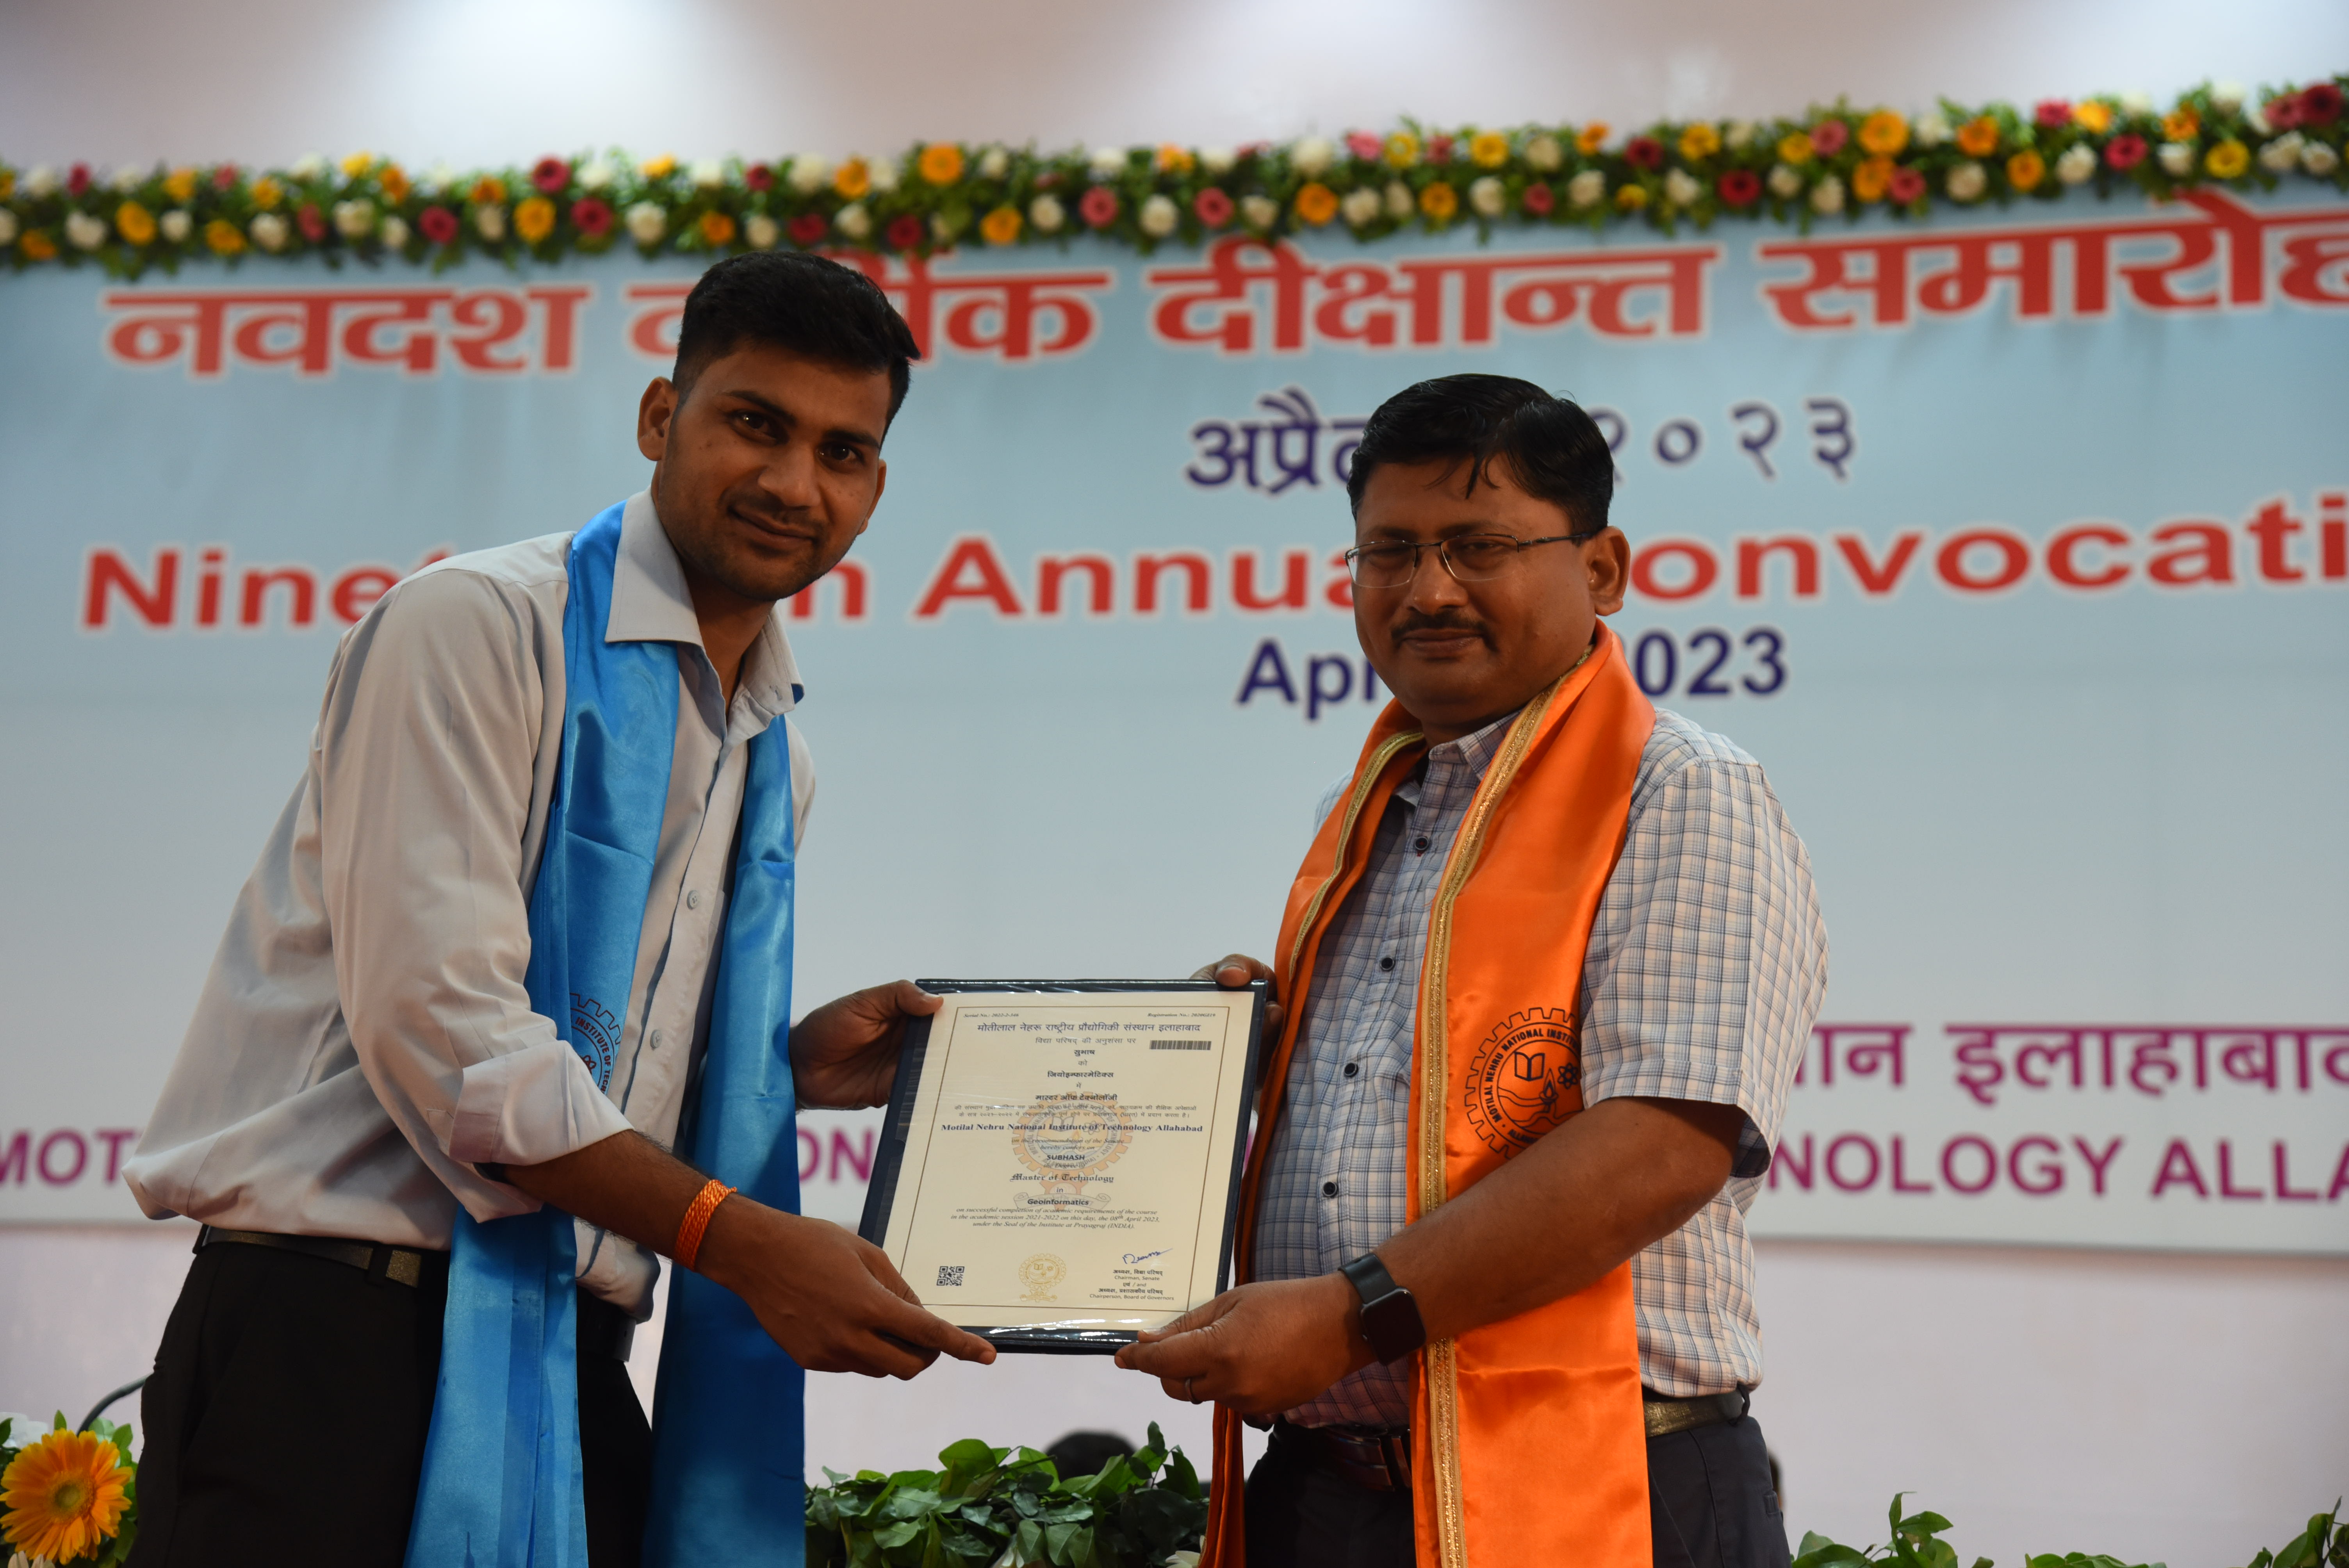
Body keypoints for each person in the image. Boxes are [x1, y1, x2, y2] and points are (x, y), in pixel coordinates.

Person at [120, 251, 995, 1568]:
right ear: (660, 417)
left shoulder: (773, 754)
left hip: (574, 1358)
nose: (793, 483)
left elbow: (588, 1052)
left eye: (843, 452)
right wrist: (743, 1244)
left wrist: (771, 1072)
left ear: (875, 488)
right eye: (754, 423)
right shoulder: (475, 627)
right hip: (332, 1342)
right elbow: (456, 1045)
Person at [1117, 375, 1827, 1568]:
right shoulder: (1368, 807)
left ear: (1602, 568)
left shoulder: (1679, 790)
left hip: (1593, 1477)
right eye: (1389, 551)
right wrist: (1238, 1049)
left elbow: (1663, 1143)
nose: (1429, 589)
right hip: (1332, 1493)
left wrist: (1350, 1317)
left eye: (1478, 547)